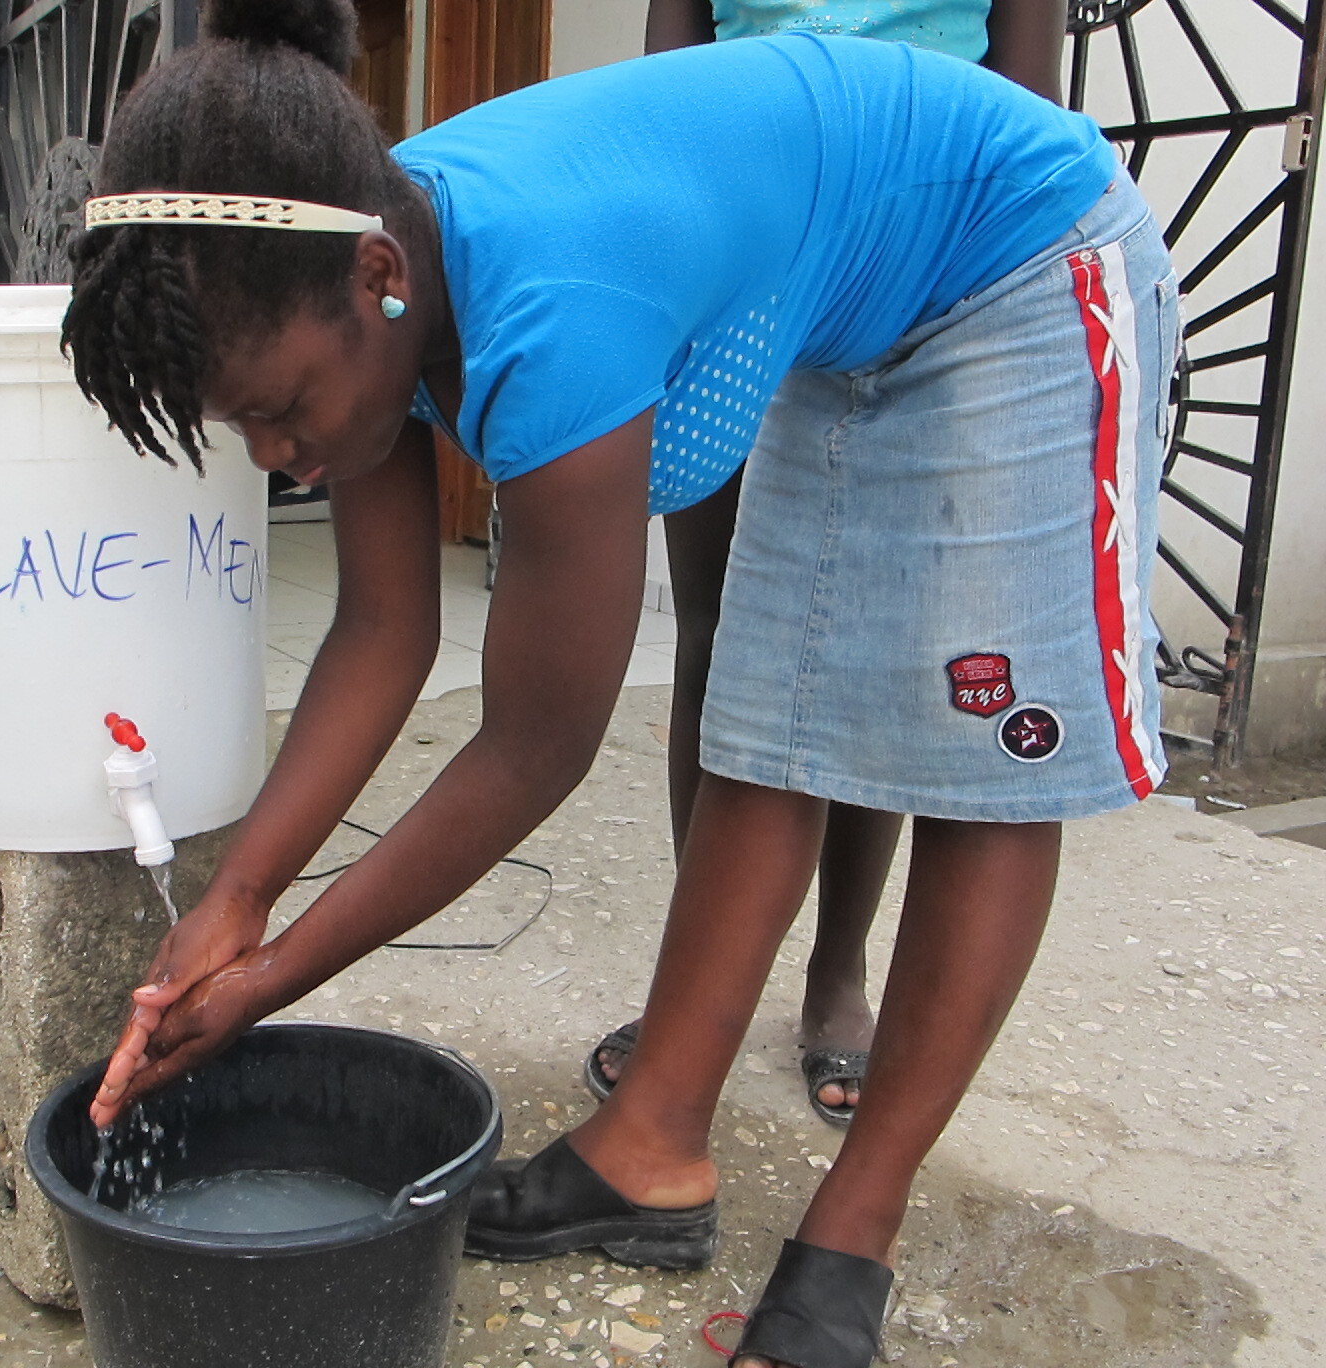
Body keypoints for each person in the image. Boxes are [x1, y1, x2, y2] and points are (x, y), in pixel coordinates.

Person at [64, 3, 1176, 1364]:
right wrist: (236, 898)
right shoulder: (349, 255)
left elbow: (536, 747)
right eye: (246, 431)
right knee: (768, 734)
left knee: (980, 766)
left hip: (1021, 255)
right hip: (866, 295)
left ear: (376, 281)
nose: (283, 458)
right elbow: (380, 633)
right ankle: (651, 1145)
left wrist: (275, 977)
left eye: (285, 411)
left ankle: (855, 1232)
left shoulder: (547, 313)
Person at [580, 0, 1072, 1125]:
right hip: (747, 242)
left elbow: (1026, 100)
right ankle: (697, 979)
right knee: (715, 631)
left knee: (874, 640)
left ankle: (835, 973)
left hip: (920, 263)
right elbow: (676, 59)